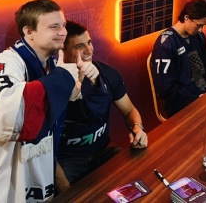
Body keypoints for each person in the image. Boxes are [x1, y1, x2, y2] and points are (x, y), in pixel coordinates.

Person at [0, 0, 88, 202]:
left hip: (33, 179)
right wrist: (64, 77)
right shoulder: (3, 64)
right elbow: (14, 116)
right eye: (54, 27)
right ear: (29, 32)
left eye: (63, 25)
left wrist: (77, 79)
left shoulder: (50, 65)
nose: (63, 32)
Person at [56, 21, 148, 192]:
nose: (89, 50)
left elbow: (129, 110)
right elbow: (44, 151)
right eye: (80, 46)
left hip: (103, 150)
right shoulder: (52, 85)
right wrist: (65, 189)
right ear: (62, 51)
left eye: (89, 43)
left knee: (137, 179)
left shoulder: (107, 73)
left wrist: (137, 127)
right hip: (67, 160)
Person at [150, 0, 206, 117]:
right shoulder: (166, 45)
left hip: (205, 95)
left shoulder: (198, 36)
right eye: (199, 25)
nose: (201, 30)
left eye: (203, 26)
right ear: (186, 18)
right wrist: (194, 99)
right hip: (183, 105)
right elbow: (167, 90)